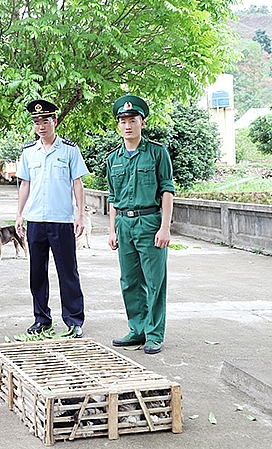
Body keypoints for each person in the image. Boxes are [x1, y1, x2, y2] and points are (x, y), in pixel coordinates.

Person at [106, 95, 175, 354]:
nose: (127, 125)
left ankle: (154, 334)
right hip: (124, 224)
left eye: (132, 120)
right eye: (122, 121)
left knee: (155, 280)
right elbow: (113, 198)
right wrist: (112, 230)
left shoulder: (158, 153)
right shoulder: (113, 159)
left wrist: (165, 227)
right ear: (118, 126)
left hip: (150, 222)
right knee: (130, 281)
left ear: (142, 122)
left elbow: (167, 191)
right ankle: (137, 329)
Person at [14, 99, 88, 338]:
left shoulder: (69, 150)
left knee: (68, 271)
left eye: (45, 121)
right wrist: (19, 216)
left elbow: (78, 183)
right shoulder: (28, 152)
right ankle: (41, 319)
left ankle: (74, 320)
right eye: (37, 122)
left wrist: (80, 215)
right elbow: (25, 184)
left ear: (54, 122)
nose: (41, 126)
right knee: (37, 272)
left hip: (62, 220)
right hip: (36, 220)